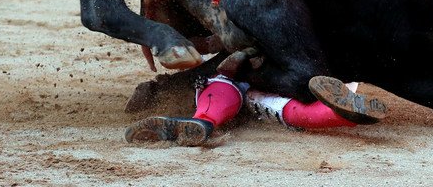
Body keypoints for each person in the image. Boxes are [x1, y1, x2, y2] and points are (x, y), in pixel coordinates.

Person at [125, 75, 387, 146]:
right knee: (285, 107)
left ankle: (203, 120)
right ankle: (343, 113)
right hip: (304, 59)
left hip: (248, 76)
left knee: (227, 83)